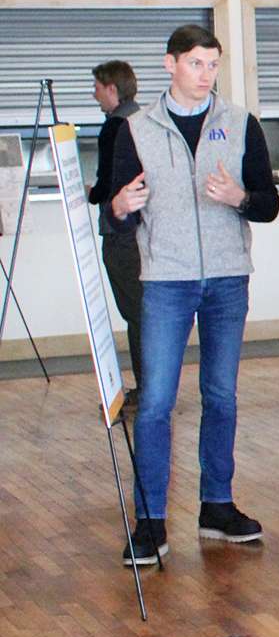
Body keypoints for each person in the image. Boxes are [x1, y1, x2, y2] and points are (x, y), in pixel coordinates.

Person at [106, 24, 279, 566]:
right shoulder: (134, 130)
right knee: (156, 403)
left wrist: (239, 196)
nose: (205, 75)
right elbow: (113, 218)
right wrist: (119, 206)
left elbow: (269, 204)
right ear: (170, 65)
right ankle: (150, 520)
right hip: (165, 281)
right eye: (196, 64)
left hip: (228, 279)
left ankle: (217, 505)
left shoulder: (240, 123)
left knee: (221, 396)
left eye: (213, 65)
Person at [86, 60, 144, 404]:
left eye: (96, 87)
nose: (93, 95)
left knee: (135, 312)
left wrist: (91, 193)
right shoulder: (147, 120)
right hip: (146, 231)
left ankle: (148, 388)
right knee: (145, 311)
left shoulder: (115, 128)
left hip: (122, 233)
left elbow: (109, 182)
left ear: (111, 88)